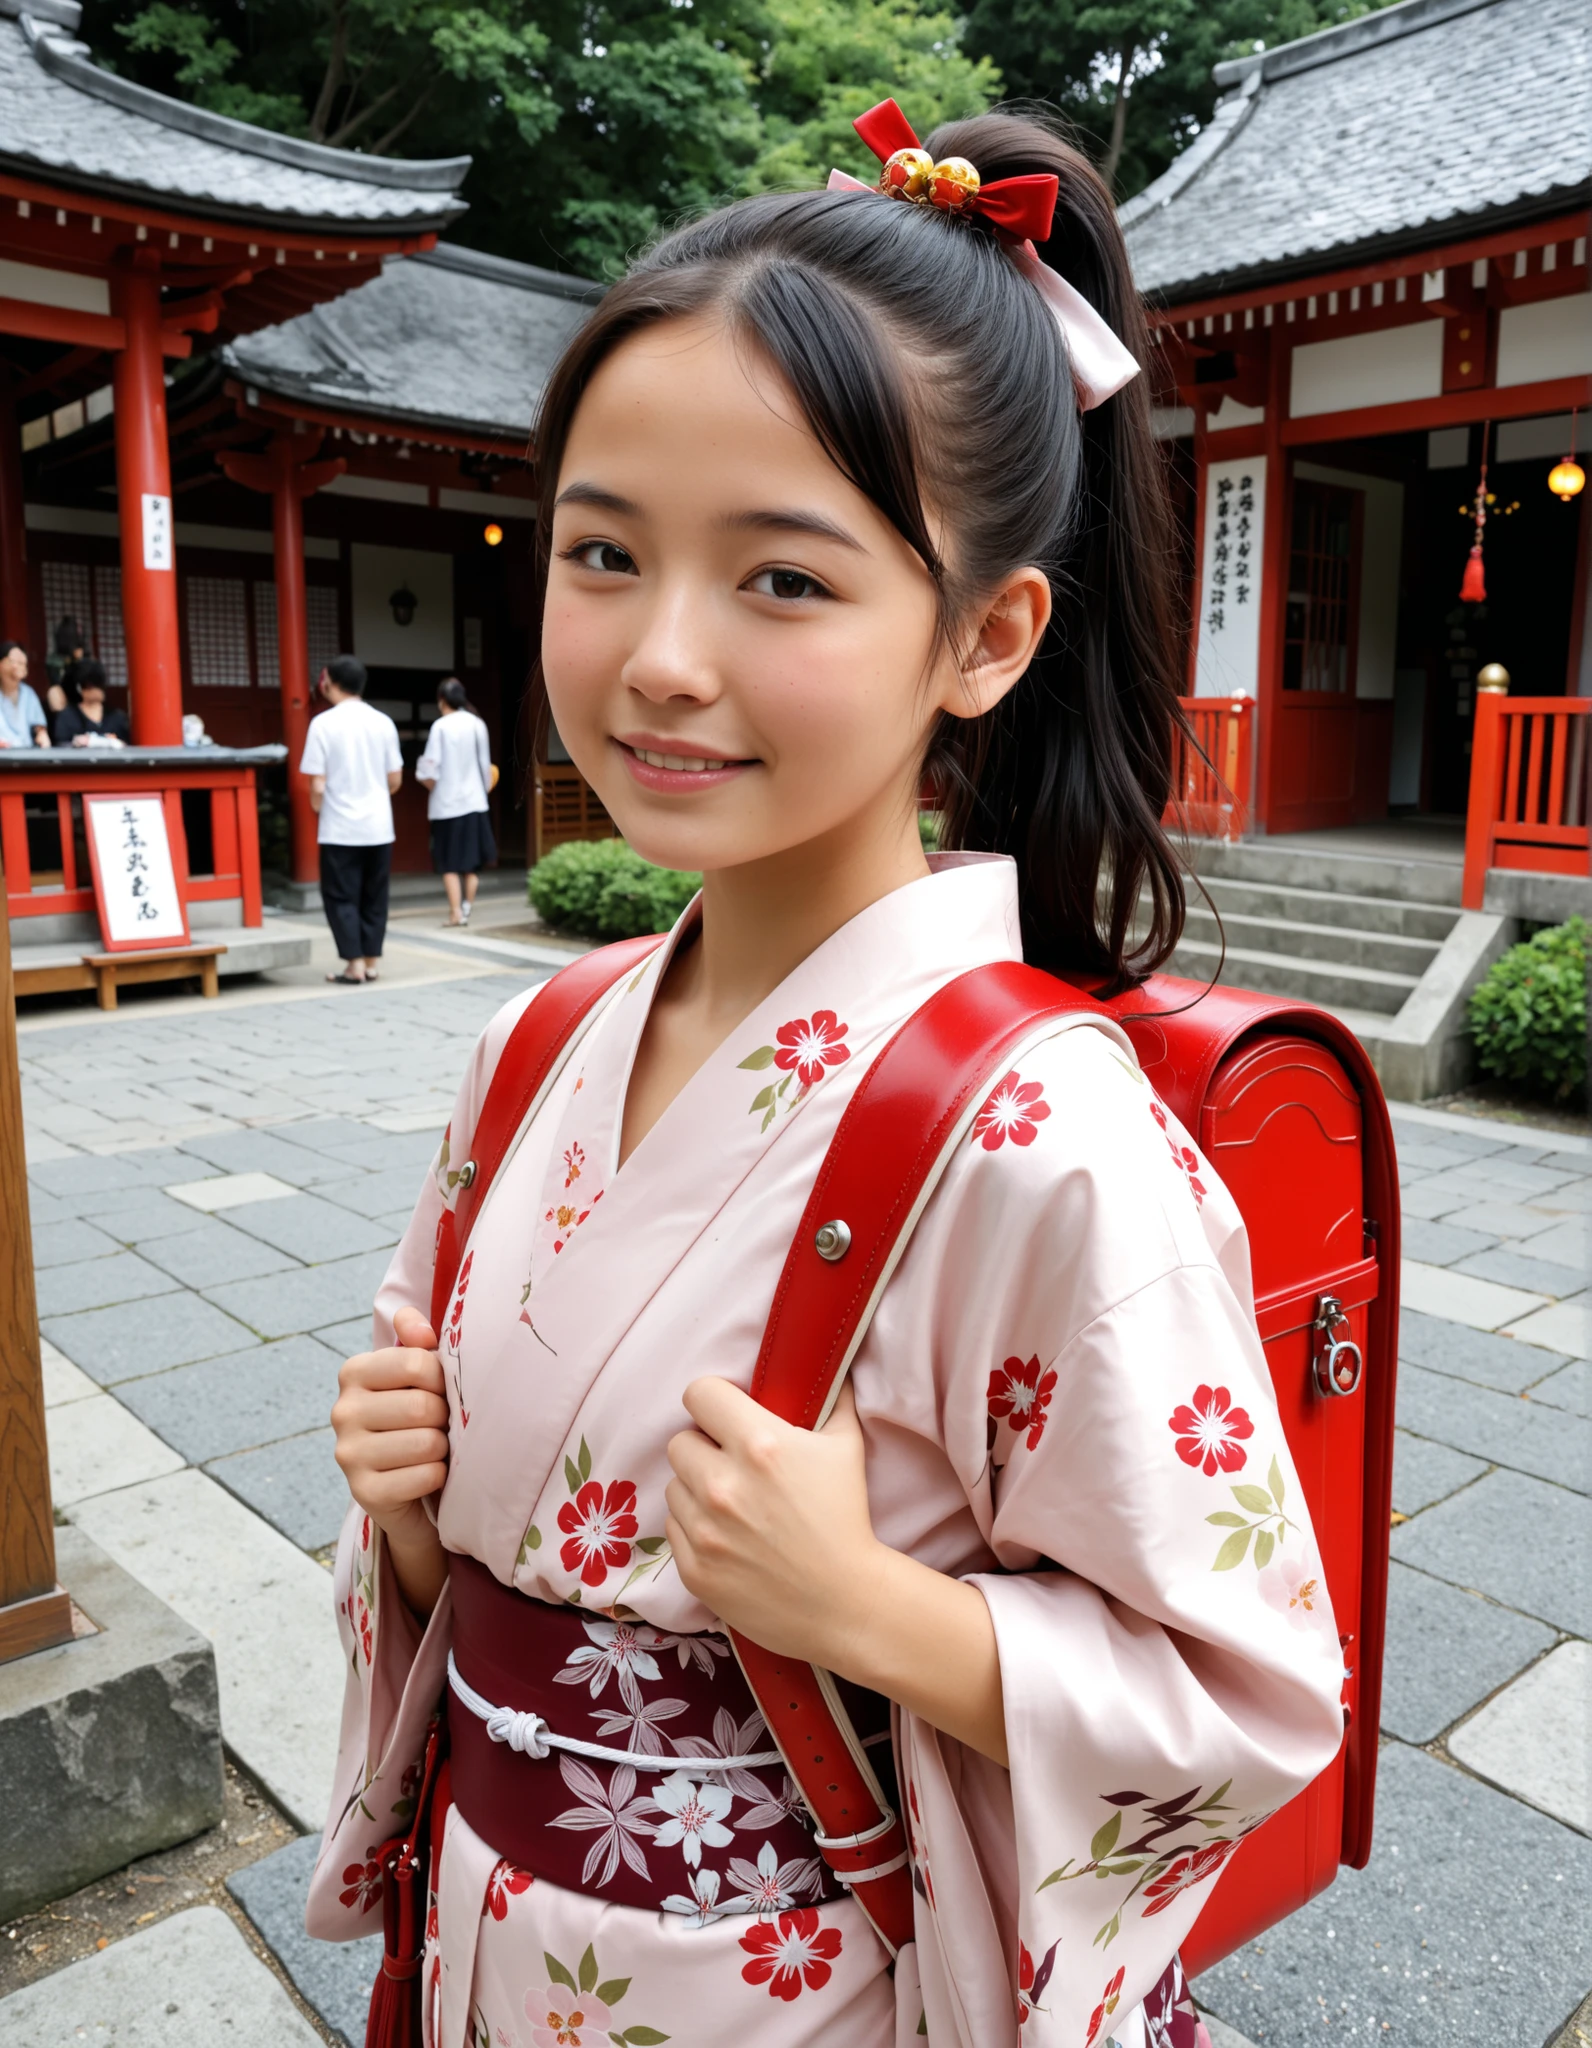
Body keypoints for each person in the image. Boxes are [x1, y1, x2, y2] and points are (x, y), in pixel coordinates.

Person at [314, 104, 1344, 2048]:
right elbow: (488, 1571)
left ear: (985, 636)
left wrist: (866, 1608)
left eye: (780, 580)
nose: (660, 656)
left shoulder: (1044, 1140)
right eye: (602, 552)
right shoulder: (533, 1042)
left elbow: (1245, 1693)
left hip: (794, 1994)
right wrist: (412, 1507)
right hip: (483, 1946)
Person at [299, 654, 402, 985]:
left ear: (329, 682)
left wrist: (319, 807)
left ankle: (354, 965)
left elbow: (317, 783)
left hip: (339, 828)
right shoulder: (383, 722)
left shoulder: (322, 724)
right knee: (375, 895)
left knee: (341, 896)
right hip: (378, 826)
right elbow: (395, 778)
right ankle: (371, 963)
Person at [415, 677, 496, 926]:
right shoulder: (477, 724)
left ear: (442, 700)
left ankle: (455, 913)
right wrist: (483, 792)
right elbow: (485, 765)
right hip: (475, 802)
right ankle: (467, 908)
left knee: (449, 863)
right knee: (472, 863)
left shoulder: (440, 726)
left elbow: (430, 768)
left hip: (446, 805)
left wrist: (425, 778)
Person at [50, 659, 129, 747]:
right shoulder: (67, 717)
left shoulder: (116, 717)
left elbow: (126, 744)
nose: (98, 690)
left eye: (100, 684)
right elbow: (61, 744)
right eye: (91, 686)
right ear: (80, 688)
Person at [0, 642, 48, 747]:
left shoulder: (28, 693)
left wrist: (42, 735)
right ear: (1, 664)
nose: (21, 665)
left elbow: (39, 727)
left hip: (25, 752)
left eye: (23, 662)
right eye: (14, 661)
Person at [45, 614, 87, 718]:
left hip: (82, 696)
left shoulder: (82, 656)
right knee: (54, 693)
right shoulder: (54, 659)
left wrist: (79, 660)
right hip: (63, 697)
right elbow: (56, 682)